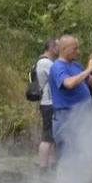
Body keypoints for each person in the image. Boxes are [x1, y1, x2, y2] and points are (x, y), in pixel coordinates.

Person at [49, 35, 92, 162]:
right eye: (75, 48)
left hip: (82, 113)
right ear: (64, 49)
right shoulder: (58, 66)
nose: (78, 51)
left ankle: (79, 177)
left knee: (82, 148)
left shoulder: (76, 65)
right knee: (67, 150)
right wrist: (88, 69)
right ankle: (63, 179)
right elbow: (69, 83)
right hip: (67, 115)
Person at [34, 39, 59, 174]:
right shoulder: (45, 63)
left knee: (52, 137)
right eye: (58, 46)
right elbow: (58, 78)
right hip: (48, 102)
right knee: (47, 137)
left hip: (49, 102)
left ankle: (51, 165)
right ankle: (43, 168)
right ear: (51, 47)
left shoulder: (46, 62)